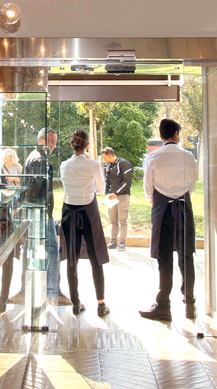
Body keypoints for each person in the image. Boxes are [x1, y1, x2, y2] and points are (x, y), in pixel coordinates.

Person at [139, 119, 199, 321]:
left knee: (164, 258)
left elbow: (148, 188)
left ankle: (163, 305)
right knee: (186, 256)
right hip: (183, 207)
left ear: (161, 135)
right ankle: (189, 303)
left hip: (162, 208)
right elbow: (192, 186)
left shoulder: (153, 157)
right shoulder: (188, 156)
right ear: (176, 134)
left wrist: (157, 200)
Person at [58, 130, 111, 316]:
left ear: (71, 144)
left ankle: (76, 303)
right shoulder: (94, 165)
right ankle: (101, 304)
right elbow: (102, 189)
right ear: (87, 145)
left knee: (71, 259)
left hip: (69, 213)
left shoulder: (64, 165)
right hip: (89, 212)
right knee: (96, 258)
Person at [21, 128, 72, 306]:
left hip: (38, 211)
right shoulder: (39, 160)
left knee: (32, 248)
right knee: (52, 249)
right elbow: (33, 188)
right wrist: (40, 209)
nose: (52, 144)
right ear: (40, 140)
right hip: (39, 212)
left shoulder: (37, 157)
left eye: (54, 141)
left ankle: (27, 290)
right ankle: (52, 291)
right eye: (49, 140)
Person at [101, 147, 133, 251]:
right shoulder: (109, 166)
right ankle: (113, 241)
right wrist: (107, 193)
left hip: (122, 196)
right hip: (111, 198)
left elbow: (127, 182)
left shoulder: (125, 164)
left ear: (110, 155)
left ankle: (122, 242)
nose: (104, 160)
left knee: (123, 220)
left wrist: (117, 193)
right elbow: (107, 181)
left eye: (105, 158)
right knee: (113, 220)